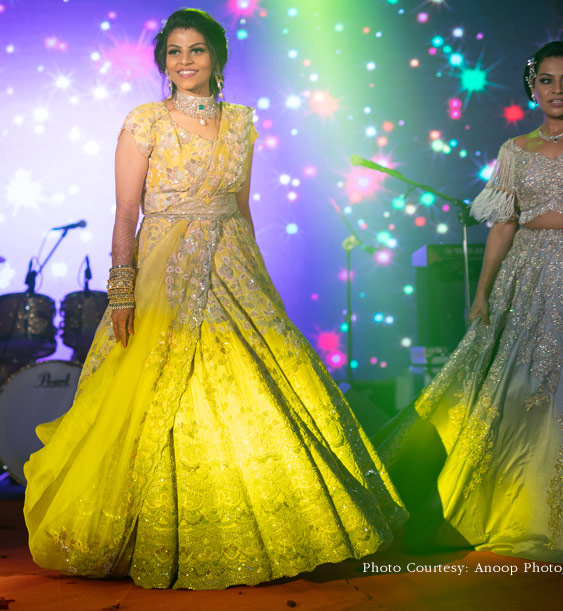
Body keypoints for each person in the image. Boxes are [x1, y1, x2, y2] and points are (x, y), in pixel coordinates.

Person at [23, 9, 406, 590]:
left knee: (264, 380)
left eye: (196, 50)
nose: (185, 61)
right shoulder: (145, 121)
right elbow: (125, 213)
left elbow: (241, 208)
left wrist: (257, 279)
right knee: (152, 392)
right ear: (163, 61)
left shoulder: (241, 122)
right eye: (174, 51)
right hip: (164, 271)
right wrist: (121, 294)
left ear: (217, 58)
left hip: (231, 264)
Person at [377, 41, 563, 563]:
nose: (557, 90)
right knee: (528, 392)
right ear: (532, 88)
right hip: (529, 275)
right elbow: (503, 226)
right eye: (546, 80)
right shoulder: (514, 150)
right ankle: (529, 506)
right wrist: (482, 292)